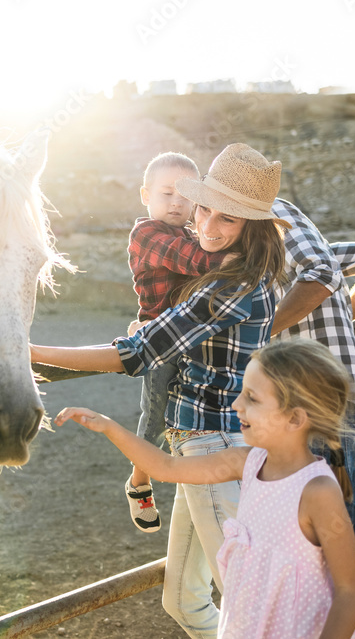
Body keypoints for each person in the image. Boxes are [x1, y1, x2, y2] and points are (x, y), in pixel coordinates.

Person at [31, 143, 290, 638]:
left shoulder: (230, 286)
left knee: (251, 609)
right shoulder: (247, 271)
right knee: (183, 602)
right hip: (204, 444)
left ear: (250, 227)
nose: (209, 227)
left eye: (227, 220)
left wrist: (31, 352)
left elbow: (134, 354)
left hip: (213, 443)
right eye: (204, 210)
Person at [54, 338, 355, 639]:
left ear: (295, 418)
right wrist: (109, 426)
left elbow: (350, 593)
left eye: (252, 398)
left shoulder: (318, 491)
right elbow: (167, 467)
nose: (236, 405)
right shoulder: (247, 462)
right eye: (241, 392)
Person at [270, 197, 355, 639]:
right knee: (347, 530)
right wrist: (344, 313)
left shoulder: (274, 213)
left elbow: (322, 274)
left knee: (331, 539)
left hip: (317, 401)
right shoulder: (310, 246)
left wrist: (265, 328)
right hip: (324, 399)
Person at [124, 152, 235, 533]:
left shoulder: (194, 232)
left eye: (186, 196)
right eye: (167, 193)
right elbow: (194, 261)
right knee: (155, 414)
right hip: (160, 341)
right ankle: (139, 481)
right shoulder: (147, 233)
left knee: (191, 418)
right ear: (145, 194)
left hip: (195, 340)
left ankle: (199, 478)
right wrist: (246, 255)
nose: (176, 203)